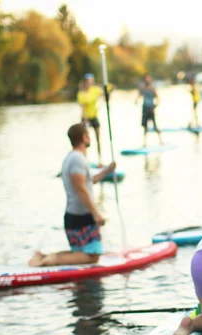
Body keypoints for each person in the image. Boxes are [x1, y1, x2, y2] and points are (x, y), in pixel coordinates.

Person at [29, 124, 117, 267]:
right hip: (82, 216)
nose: (90, 138)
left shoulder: (73, 157)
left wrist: (107, 171)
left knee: (81, 252)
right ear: (83, 137)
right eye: (88, 135)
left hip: (75, 216)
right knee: (93, 257)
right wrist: (96, 214)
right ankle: (50, 261)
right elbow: (81, 188)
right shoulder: (77, 158)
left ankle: (43, 256)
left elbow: (89, 181)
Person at [77, 74, 104, 161]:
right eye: (89, 81)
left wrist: (108, 91)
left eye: (91, 81)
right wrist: (85, 120)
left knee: (98, 139)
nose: (90, 83)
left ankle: (100, 159)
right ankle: (85, 160)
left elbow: (105, 93)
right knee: (85, 140)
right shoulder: (81, 94)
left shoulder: (95, 90)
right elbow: (83, 107)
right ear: (85, 82)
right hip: (86, 118)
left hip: (94, 117)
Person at [137, 74, 163, 147]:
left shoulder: (153, 89)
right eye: (146, 79)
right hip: (145, 109)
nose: (147, 81)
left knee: (155, 126)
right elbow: (138, 96)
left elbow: (158, 99)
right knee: (145, 127)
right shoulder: (142, 89)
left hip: (151, 109)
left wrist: (154, 107)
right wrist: (136, 101)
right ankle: (145, 143)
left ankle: (161, 141)